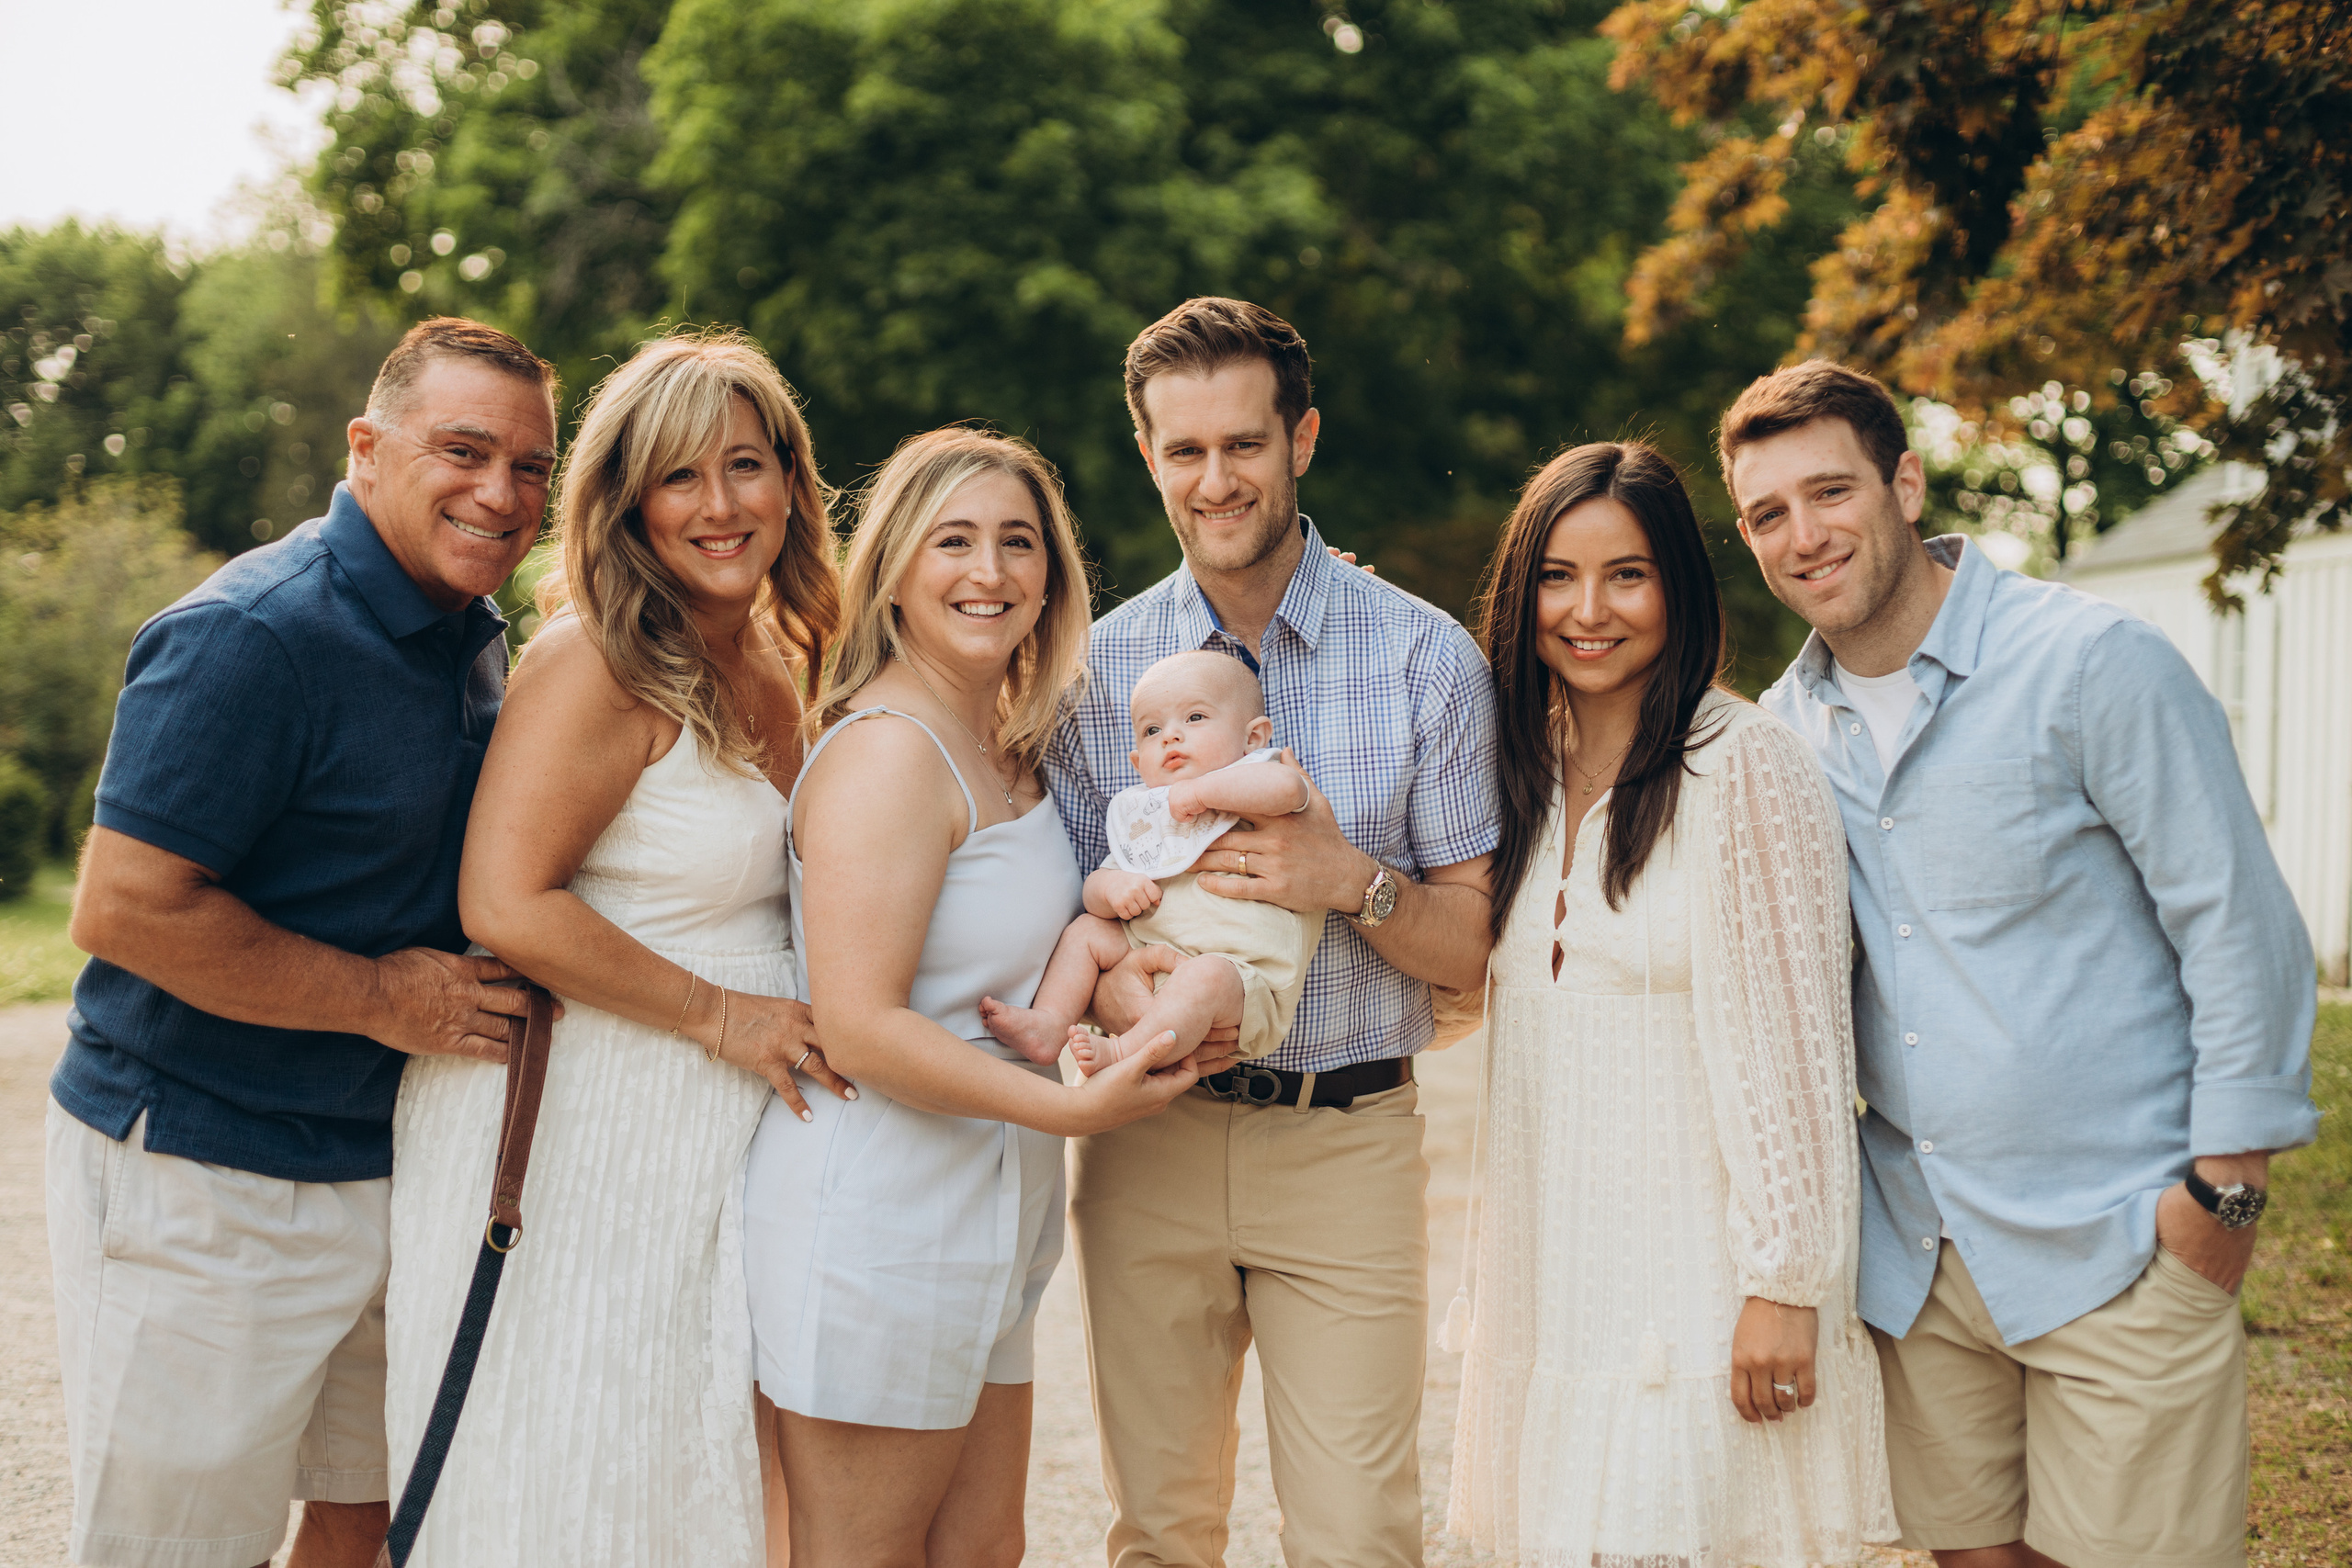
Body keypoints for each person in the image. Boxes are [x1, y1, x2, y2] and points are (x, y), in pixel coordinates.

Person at [1728, 359, 2321, 1568]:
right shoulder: (1780, 737)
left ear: (1904, 481)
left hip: (2123, 1236)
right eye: (1766, 513)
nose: (1803, 535)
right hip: (1920, 1260)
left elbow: (2236, 919)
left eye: (1829, 491)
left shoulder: (2093, 661)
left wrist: (2222, 1195)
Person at [49, 319, 558, 1568]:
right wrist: (384, 997)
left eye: (532, 466)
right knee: (170, 1546)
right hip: (204, 1174)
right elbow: (126, 906)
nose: (500, 490)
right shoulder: (254, 632)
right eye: (464, 449)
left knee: (370, 1522)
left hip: (386, 1173)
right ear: (367, 447)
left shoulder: (476, 633)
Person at [1043, 297, 1499, 1567]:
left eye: (1243, 443)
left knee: (1361, 1539)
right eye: (1184, 451)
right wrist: (1129, 1005)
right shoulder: (1094, 668)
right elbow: (1076, 908)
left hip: (1345, 1143)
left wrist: (1351, 878)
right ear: (1148, 456)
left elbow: (1472, 946)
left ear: (1303, 437)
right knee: (1159, 1536)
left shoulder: (1427, 658)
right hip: (1151, 1139)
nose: (1216, 478)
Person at [380, 329, 850, 1563]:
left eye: (746, 465)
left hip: (711, 1150)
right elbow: (506, 899)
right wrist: (722, 1014)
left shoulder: (786, 652)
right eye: (681, 475)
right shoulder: (597, 655)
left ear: (792, 481)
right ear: (630, 499)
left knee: (693, 1484)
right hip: (589, 1135)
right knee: (575, 1476)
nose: (720, 503)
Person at [745, 426, 1204, 1567]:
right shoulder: (890, 753)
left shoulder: (1005, 742)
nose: (989, 574)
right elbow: (860, 1022)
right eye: (954, 542)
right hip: (880, 1225)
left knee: (980, 1553)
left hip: (990, 1215)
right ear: (895, 567)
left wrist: (1118, 986)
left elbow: (1011, 960)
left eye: (1017, 543)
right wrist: (1070, 1111)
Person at [1443, 439, 1895, 1565]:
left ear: (1678, 590)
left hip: (1696, 1291)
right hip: (1554, 1279)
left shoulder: (1745, 766)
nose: (1588, 610)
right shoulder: (1515, 769)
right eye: (1556, 575)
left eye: (1627, 574)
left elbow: (1798, 1046)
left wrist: (1785, 1281)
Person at [980, 649, 1320, 1073]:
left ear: (1253, 738)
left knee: (1205, 976)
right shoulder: (1148, 812)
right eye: (1152, 729)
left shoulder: (1263, 776)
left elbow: (1289, 790)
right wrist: (1113, 890)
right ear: (1139, 764)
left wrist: (1199, 795)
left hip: (1240, 977)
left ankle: (1124, 1053)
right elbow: (1095, 891)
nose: (1170, 737)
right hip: (1148, 951)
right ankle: (1050, 1022)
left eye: (1195, 718)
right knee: (1088, 931)